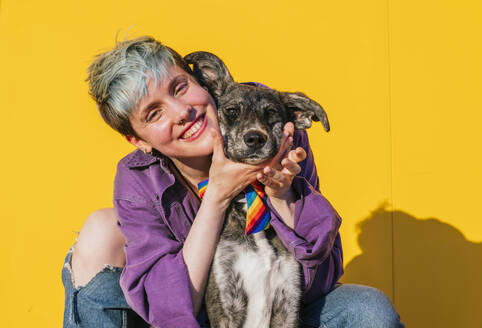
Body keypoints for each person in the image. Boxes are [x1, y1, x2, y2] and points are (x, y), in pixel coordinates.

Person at [62, 36, 404, 328]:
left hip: (279, 307)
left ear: (204, 84)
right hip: (186, 314)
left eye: (180, 88)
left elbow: (319, 278)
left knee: (366, 309)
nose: (181, 112)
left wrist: (282, 194)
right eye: (154, 113)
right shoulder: (139, 179)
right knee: (101, 230)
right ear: (139, 141)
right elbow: (169, 314)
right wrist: (218, 197)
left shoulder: (277, 133)